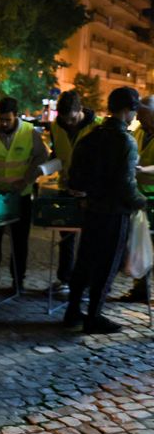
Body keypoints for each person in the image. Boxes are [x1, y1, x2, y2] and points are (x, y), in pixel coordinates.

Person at [64, 87, 146, 334]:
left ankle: (72, 311)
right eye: (134, 110)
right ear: (126, 110)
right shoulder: (125, 142)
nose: (135, 116)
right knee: (107, 266)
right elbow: (126, 183)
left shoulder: (91, 137)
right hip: (115, 212)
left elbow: (75, 175)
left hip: (92, 210)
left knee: (85, 262)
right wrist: (140, 202)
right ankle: (94, 317)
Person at [0, 97, 48, 291]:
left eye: (8, 119)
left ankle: (18, 280)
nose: (4, 123)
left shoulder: (28, 132)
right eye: (1, 119)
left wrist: (27, 179)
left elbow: (42, 156)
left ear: (16, 116)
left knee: (19, 240)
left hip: (20, 195)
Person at [48, 90, 102, 296]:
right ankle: (65, 279)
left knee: (90, 238)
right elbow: (57, 154)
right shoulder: (56, 126)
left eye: (71, 118)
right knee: (66, 237)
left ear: (80, 110)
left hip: (89, 191)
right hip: (67, 187)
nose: (68, 123)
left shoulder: (97, 127)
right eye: (64, 119)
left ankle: (85, 281)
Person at [121, 95, 154, 302]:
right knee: (139, 244)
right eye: (139, 116)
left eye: (144, 115)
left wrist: (143, 170)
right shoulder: (140, 132)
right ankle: (140, 289)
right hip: (139, 197)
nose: (140, 120)